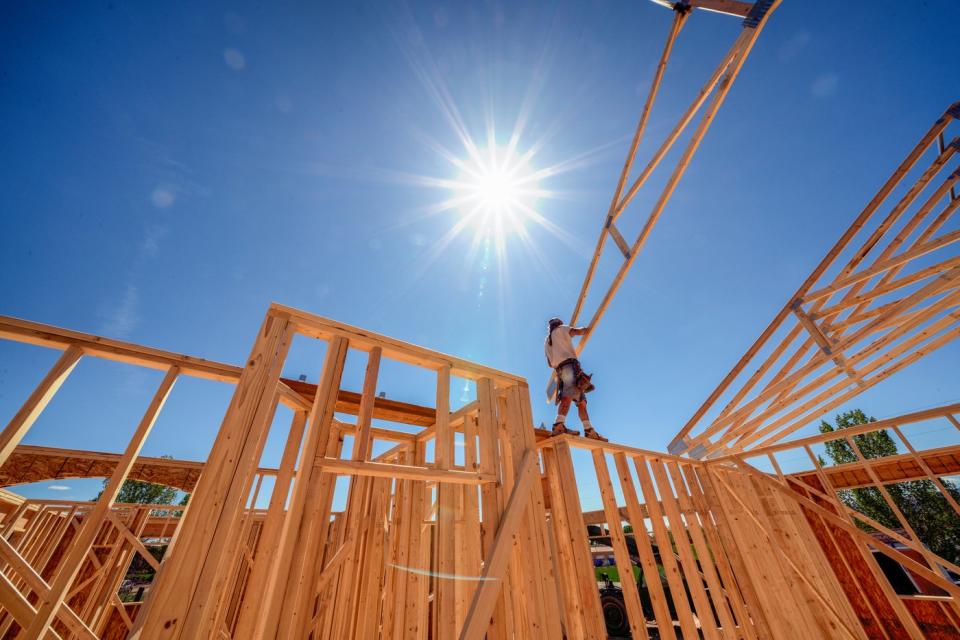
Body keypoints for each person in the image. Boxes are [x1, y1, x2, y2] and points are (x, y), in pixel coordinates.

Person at [544, 317, 607, 441]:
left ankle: (589, 430)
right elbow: (577, 332)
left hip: (561, 370)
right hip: (569, 367)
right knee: (567, 396)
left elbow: (549, 364)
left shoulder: (547, 341)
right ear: (559, 324)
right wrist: (585, 329)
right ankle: (559, 425)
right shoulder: (561, 329)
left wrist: (559, 353)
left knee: (581, 402)